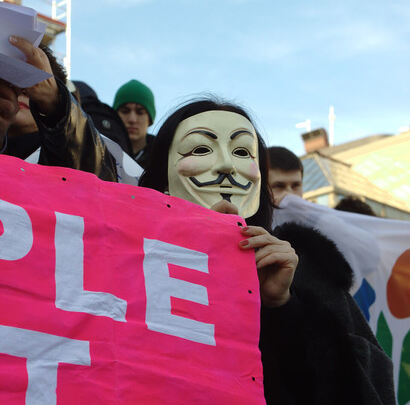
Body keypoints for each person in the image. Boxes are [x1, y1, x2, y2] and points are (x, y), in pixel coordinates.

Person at [139, 98, 395, 404]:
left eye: (242, 152)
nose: (224, 165)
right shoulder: (129, 264)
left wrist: (284, 308)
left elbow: (364, 390)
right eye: (201, 149)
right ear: (161, 177)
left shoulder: (309, 269)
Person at [0, 36, 119, 182]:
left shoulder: (82, 145)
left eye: (32, 82)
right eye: (11, 82)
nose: (22, 91)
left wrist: (56, 107)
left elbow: (89, 182)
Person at [112, 79, 156, 169]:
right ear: (114, 116)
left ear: (150, 120)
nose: (132, 119)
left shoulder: (164, 157)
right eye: (125, 111)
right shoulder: (102, 153)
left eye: (140, 112)